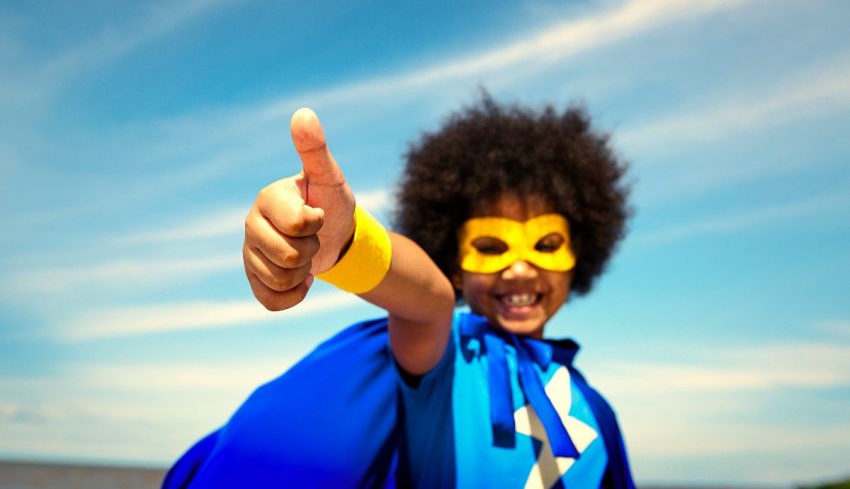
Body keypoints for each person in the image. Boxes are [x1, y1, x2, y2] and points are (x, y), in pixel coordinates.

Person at [164, 94, 634, 488]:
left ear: (582, 249)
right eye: (491, 247)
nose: (519, 270)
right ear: (453, 260)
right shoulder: (447, 353)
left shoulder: (598, 415)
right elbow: (427, 298)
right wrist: (347, 243)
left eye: (546, 245)